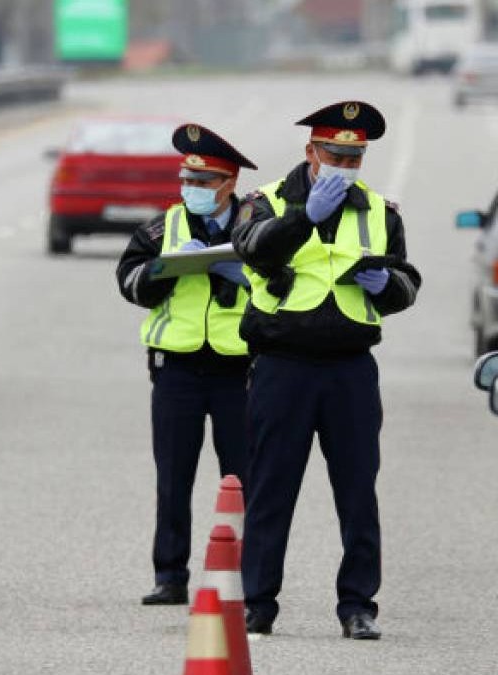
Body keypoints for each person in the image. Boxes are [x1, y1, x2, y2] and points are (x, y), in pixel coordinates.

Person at [231, 101, 421, 639]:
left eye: (354, 158)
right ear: (310, 152)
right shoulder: (266, 202)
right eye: (335, 155)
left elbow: (406, 281)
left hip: (349, 369)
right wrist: (305, 217)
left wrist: (390, 287)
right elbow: (253, 251)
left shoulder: (381, 212)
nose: (344, 166)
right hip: (283, 365)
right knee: (272, 489)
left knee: (358, 492)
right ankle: (258, 603)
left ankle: (358, 605)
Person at [115, 123, 258, 605]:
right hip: (176, 369)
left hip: (240, 372)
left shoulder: (258, 228)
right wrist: (164, 269)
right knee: (173, 478)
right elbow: (129, 281)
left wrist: (245, 276)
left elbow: (285, 284)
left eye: (203, 181)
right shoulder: (162, 228)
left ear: (229, 183)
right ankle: (170, 575)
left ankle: (247, 573)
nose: (191, 188)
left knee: (244, 479)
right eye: (186, 180)